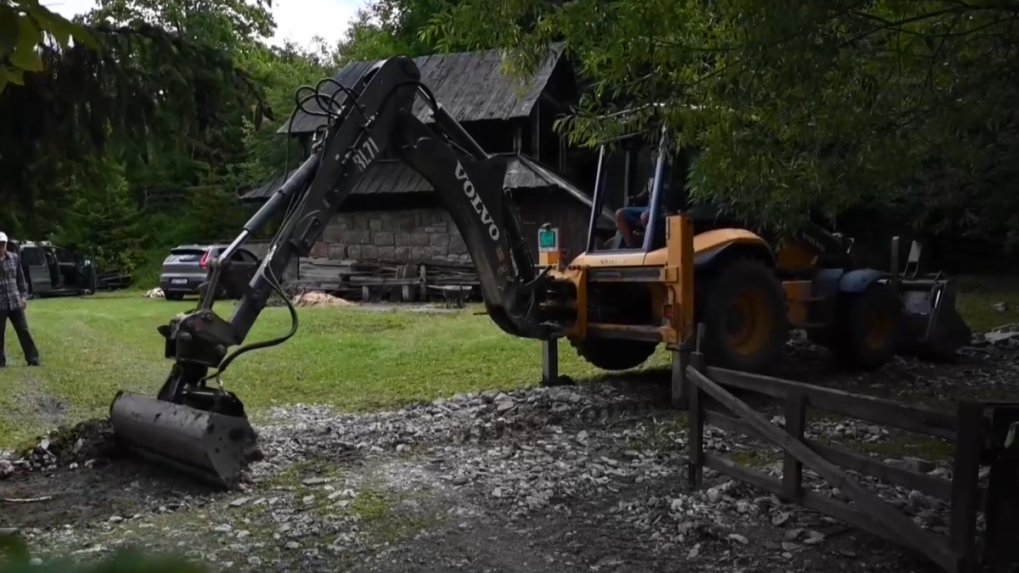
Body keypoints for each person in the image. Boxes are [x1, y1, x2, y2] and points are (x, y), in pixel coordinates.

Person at [0, 232, 41, 367]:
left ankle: (32, 358)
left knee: (23, 329)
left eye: (2, 244)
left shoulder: (14, 258)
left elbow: (20, 279)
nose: (1, 247)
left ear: (6, 244)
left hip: (15, 300)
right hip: (1, 303)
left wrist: (23, 296)